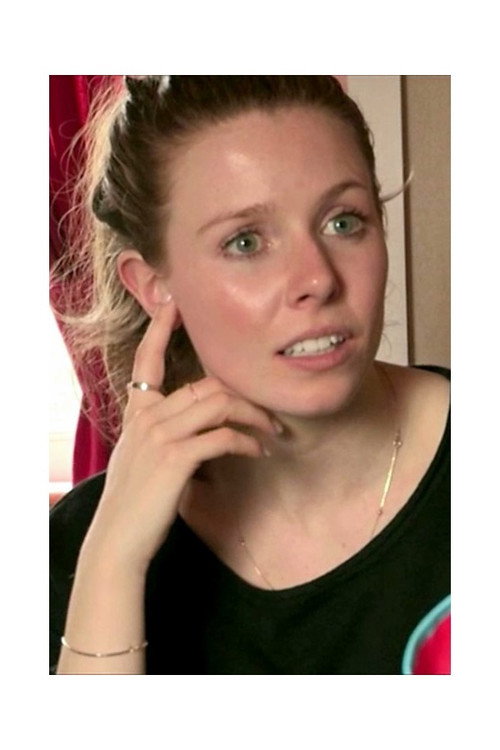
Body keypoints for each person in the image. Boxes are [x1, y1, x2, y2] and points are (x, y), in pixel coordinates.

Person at [50, 75, 450, 675]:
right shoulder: (78, 548)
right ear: (154, 286)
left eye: (343, 222)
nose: (318, 278)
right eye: (245, 242)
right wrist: (113, 563)